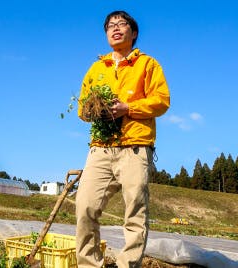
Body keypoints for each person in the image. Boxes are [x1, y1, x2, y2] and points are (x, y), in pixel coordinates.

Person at [75, 10, 170, 268]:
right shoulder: (96, 68)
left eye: (122, 24)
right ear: (106, 34)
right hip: (101, 149)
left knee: (135, 210)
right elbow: (82, 107)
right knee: (84, 206)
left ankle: (127, 265)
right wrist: (94, 110)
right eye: (110, 26)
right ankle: (88, 264)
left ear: (134, 32)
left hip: (135, 148)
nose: (115, 28)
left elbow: (162, 102)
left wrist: (128, 108)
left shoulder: (147, 65)